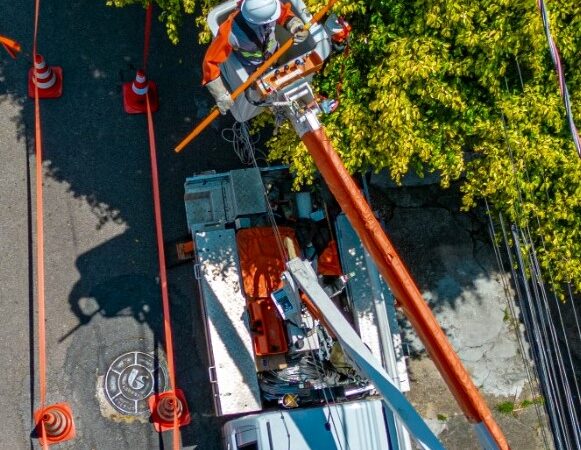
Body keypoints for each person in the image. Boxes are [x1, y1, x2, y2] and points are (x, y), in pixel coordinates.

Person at [202, 0, 309, 114]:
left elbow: (283, 13)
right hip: (253, 69)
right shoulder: (229, 32)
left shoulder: (266, 5)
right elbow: (210, 62)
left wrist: (296, 25)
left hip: (273, 55)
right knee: (258, 89)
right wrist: (220, 94)